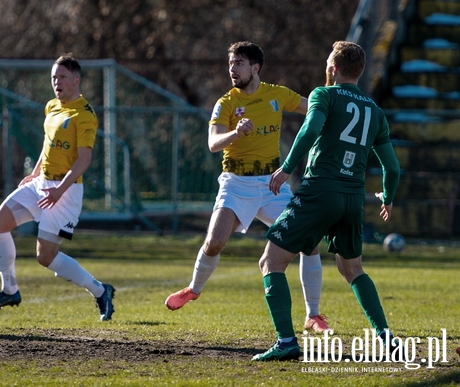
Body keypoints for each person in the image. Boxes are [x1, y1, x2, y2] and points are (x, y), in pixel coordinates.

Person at [165, 42, 331, 334]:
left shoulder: (277, 94)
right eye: (231, 63)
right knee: (214, 242)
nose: (232, 69)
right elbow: (213, 143)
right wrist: (235, 132)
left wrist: (334, 105)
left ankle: (313, 315)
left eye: (239, 63)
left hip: (272, 183)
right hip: (236, 182)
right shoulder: (226, 103)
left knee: (309, 242)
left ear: (255, 68)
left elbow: (313, 107)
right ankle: (193, 289)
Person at [253, 41, 400, 361]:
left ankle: (286, 341)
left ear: (333, 69)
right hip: (352, 198)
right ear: (359, 72)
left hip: (319, 191)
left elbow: (311, 128)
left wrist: (286, 167)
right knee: (352, 269)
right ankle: (386, 337)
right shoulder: (375, 112)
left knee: (271, 261)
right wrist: (387, 197)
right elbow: (393, 167)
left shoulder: (324, 94)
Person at [0, 54, 115, 321]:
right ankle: (9, 290)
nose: (56, 82)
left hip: (65, 191)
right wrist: (35, 173)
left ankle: (100, 290)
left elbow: (84, 160)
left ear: (76, 80)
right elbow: (48, 143)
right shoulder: (52, 106)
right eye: (54, 77)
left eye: (62, 77)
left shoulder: (84, 115)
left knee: (45, 257)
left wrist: (59, 190)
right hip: (42, 184)